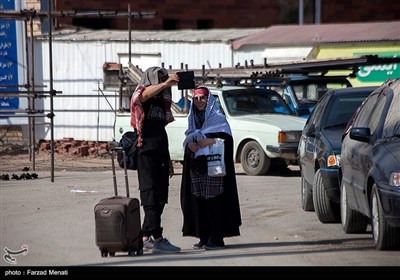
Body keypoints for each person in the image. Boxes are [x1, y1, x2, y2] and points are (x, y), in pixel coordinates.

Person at [180, 86, 242, 250]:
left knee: (213, 201)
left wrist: (210, 141)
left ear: (209, 101)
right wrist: (190, 146)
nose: (199, 101)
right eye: (196, 98)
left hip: (213, 167)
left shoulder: (218, 118)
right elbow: (189, 137)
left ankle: (217, 238)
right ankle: (203, 237)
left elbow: (227, 140)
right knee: (199, 200)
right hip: (197, 166)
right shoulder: (192, 119)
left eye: (203, 98)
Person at [130, 66, 181, 254]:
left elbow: (162, 131)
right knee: (150, 196)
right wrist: (166, 83)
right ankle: (158, 238)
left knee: (160, 197)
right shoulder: (143, 95)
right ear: (150, 79)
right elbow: (142, 95)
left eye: (163, 78)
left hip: (160, 152)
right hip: (146, 152)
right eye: (158, 78)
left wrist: (168, 160)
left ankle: (144, 237)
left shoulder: (161, 102)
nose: (162, 81)